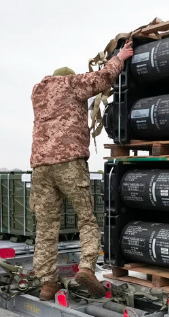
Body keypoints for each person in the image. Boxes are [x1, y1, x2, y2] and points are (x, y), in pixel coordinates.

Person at [30, 41, 134, 301]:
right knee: (86, 218)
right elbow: (102, 79)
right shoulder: (71, 84)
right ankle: (87, 267)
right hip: (69, 162)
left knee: (45, 227)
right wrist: (120, 57)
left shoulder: (38, 92)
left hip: (40, 166)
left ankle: (47, 283)